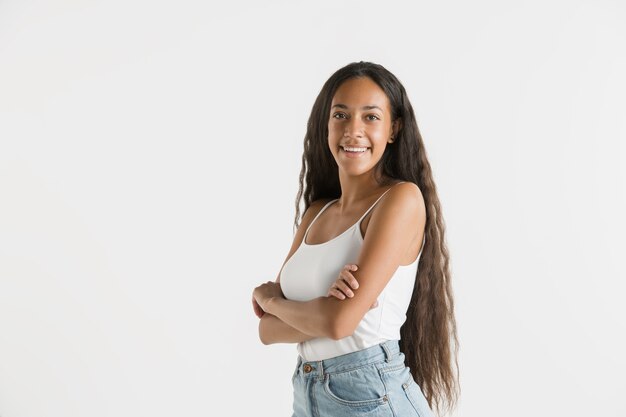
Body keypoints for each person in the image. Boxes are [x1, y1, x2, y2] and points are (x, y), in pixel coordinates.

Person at [252, 61, 459, 417]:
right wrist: (317, 309)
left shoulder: (401, 200)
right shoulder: (316, 213)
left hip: (371, 395)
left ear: (393, 129)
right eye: (341, 115)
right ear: (326, 125)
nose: (353, 130)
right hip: (308, 394)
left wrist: (271, 299)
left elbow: (338, 323)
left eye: (371, 117)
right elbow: (268, 332)